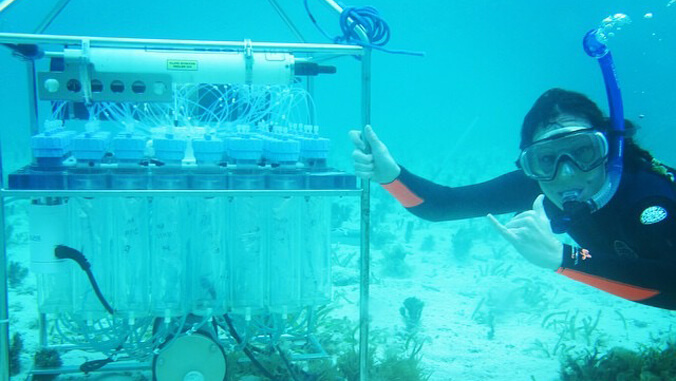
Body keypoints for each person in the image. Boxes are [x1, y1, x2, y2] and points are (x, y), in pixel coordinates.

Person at [350, 88, 676, 310]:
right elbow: (442, 206)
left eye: (583, 151)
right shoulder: (539, 183)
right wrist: (390, 175)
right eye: (546, 158)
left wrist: (565, 258)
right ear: (529, 165)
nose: (566, 173)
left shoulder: (649, 201)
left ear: (610, 151)